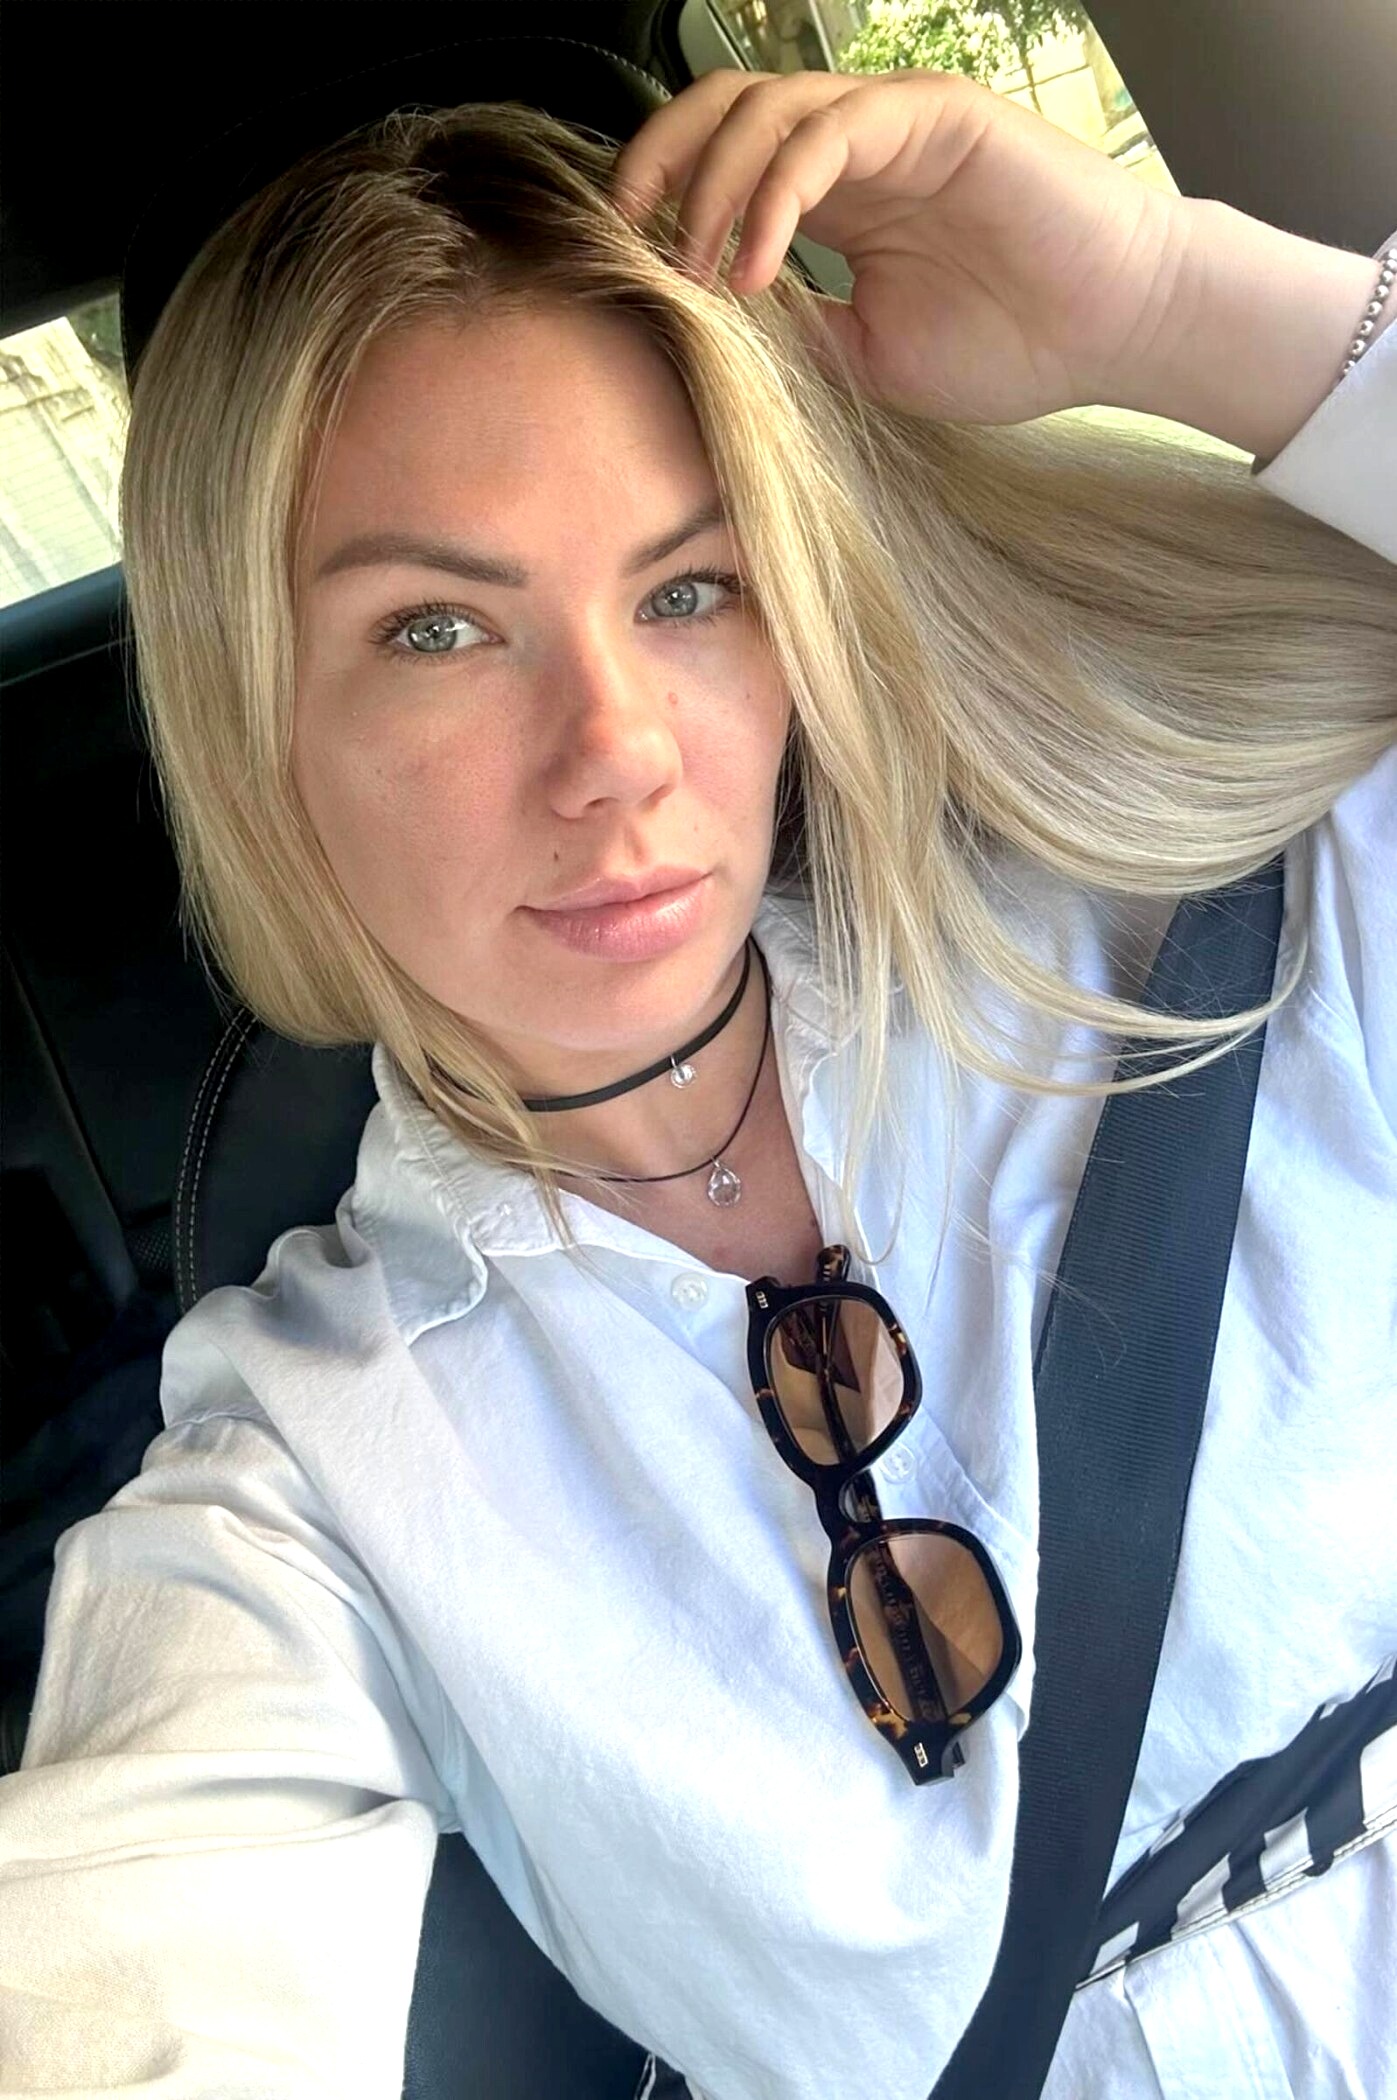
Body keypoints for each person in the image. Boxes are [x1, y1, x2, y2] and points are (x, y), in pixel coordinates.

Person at [1, 64, 1394, 2100]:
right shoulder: (309, 1479)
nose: (618, 751)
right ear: (256, 719)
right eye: (436, 629)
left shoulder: (1210, 925)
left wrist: (1172, 305)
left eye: (687, 588)